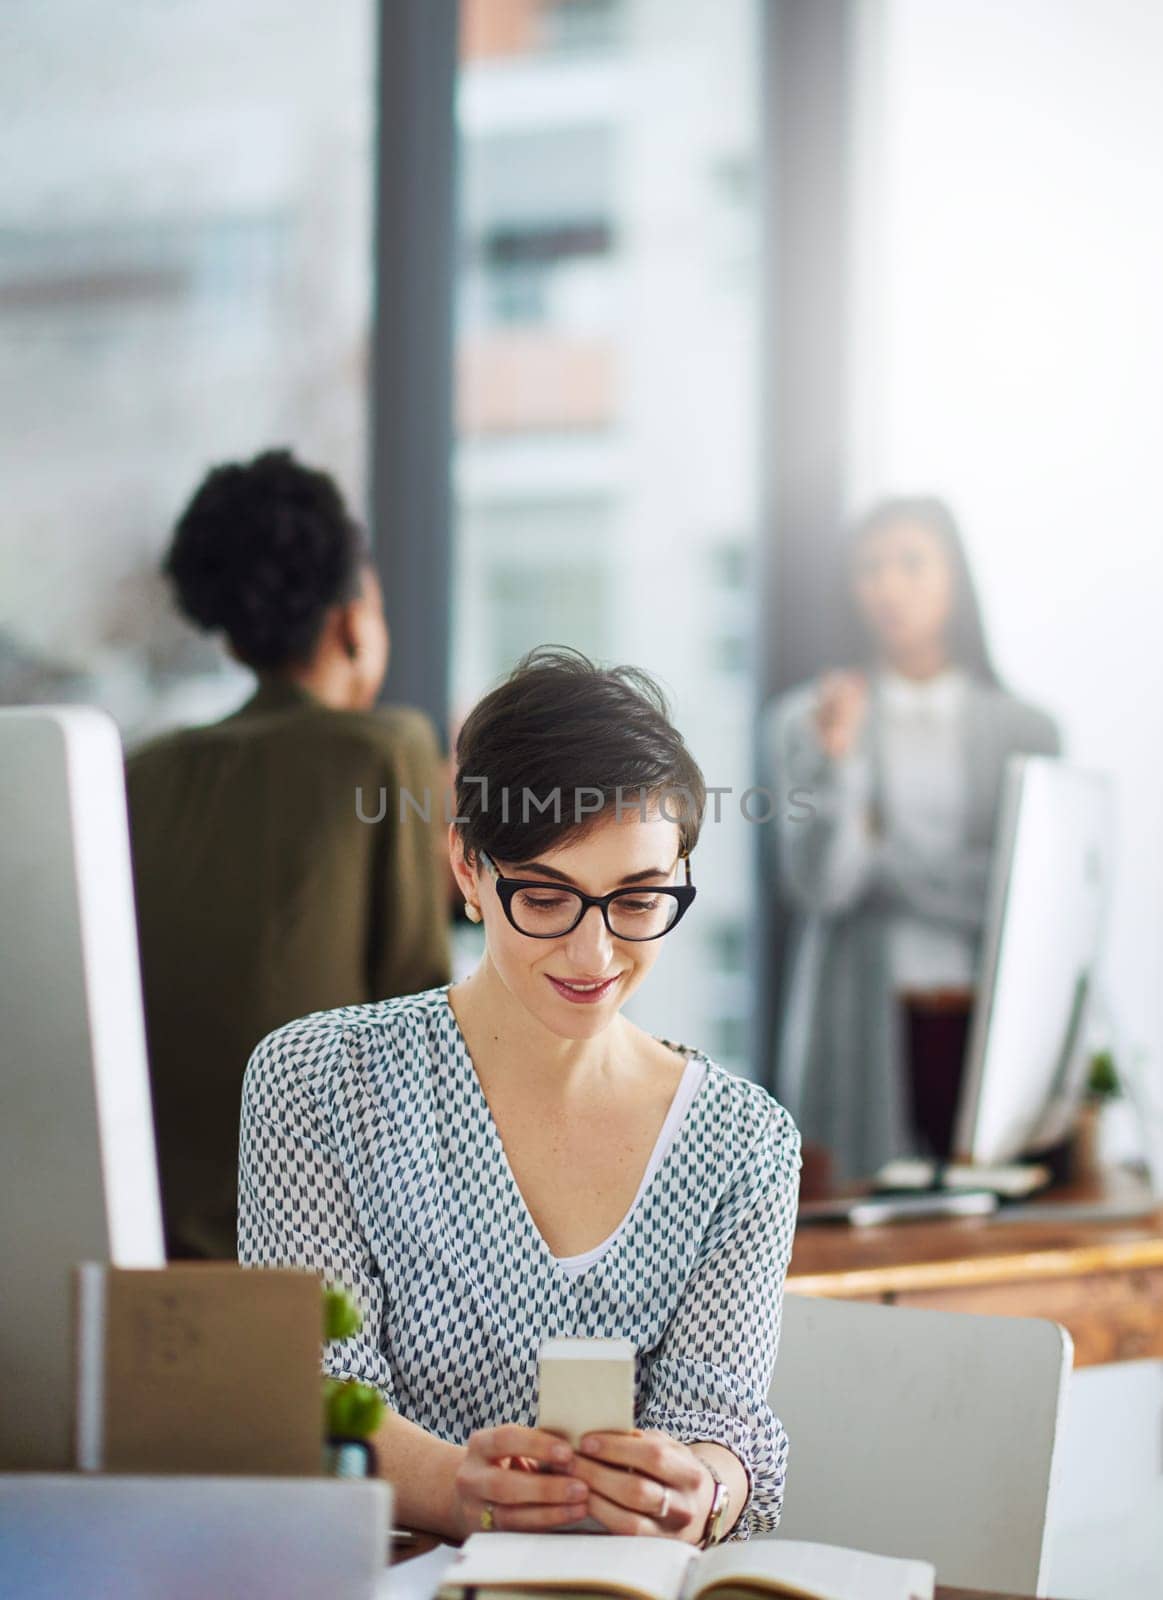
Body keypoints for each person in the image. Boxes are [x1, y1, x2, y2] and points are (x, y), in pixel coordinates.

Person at [239, 647, 801, 1544]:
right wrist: (453, 1491)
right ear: (467, 867)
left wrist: (702, 1491)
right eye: (545, 898)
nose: (594, 955)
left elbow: (720, 1423)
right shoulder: (316, 1084)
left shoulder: (742, 1143)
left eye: (638, 899)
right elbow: (309, 1391)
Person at [127, 450, 450, 1260]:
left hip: (141, 1238)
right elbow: (421, 1019)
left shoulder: (141, 769)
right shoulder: (385, 749)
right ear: (351, 621)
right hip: (305, 1261)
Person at [762, 496, 1061, 1182]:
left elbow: (1022, 900)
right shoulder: (806, 721)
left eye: (910, 563)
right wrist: (840, 762)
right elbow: (823, 885)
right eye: (869, 568)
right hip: (860, 1024)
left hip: (981, 1020)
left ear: (954, 576)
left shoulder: (1027, 732)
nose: (888, 586)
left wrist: (881, 857)